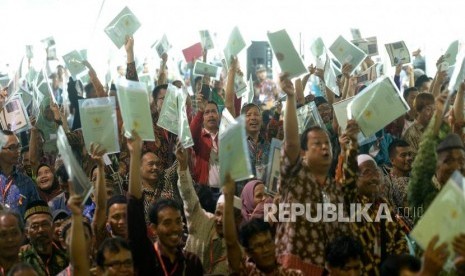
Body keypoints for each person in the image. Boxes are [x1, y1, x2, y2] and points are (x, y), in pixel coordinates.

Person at [274, 74, 348, 274]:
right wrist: (290, 98)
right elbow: (290, 143)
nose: (325, 147)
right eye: (317, 143)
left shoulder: (334, 188)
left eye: (327, 144)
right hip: (294, 267)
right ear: (304, 153)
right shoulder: (295, 176)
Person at [126, 131, 203, 275]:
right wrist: (134, 154)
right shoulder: (148, 260)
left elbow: (181, 164)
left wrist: (183, 152)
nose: (155, 167)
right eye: (167, 223)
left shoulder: (192, 263)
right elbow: (134, 209)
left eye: (178, 222)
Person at [175, 142, 242, 274]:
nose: (219, 220)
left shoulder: (240, 251)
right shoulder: (202, 221)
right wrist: (183, 167)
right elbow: (189, 195)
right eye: (218, 213)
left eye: (227, 216)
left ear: (239, 220)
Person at [223, 174, 303, 275]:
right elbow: (231, 243)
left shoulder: (292, 275)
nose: (266, 250)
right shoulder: (247, 272)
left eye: (268, 242)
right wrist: (228, 198)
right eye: (258, 246)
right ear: (248, 252)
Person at [19, 200, 69, 275]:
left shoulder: (65, 255)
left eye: (45, 224)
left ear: (52, 228)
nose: (41, 230)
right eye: (35, 226)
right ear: (27, 233)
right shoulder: (20, 258)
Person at [0, 130, 40, 217]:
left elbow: (36, 214)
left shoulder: (26, 182)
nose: (18, 151)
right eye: (12, 147)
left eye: (18, 146)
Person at [190, 95, 221, 198]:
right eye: (207, 113)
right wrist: (200, 110)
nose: (211, 115)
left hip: (225, 191)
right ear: (202, 118)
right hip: (205, 191)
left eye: (214, 111)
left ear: (219, 115)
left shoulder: (225, 136)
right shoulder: (200, 137)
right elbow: (191, 133)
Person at [0, 210, 23, 275]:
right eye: (3, 235)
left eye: (14, 233)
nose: (10, 239)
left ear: (23, 235)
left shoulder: (32, 268)